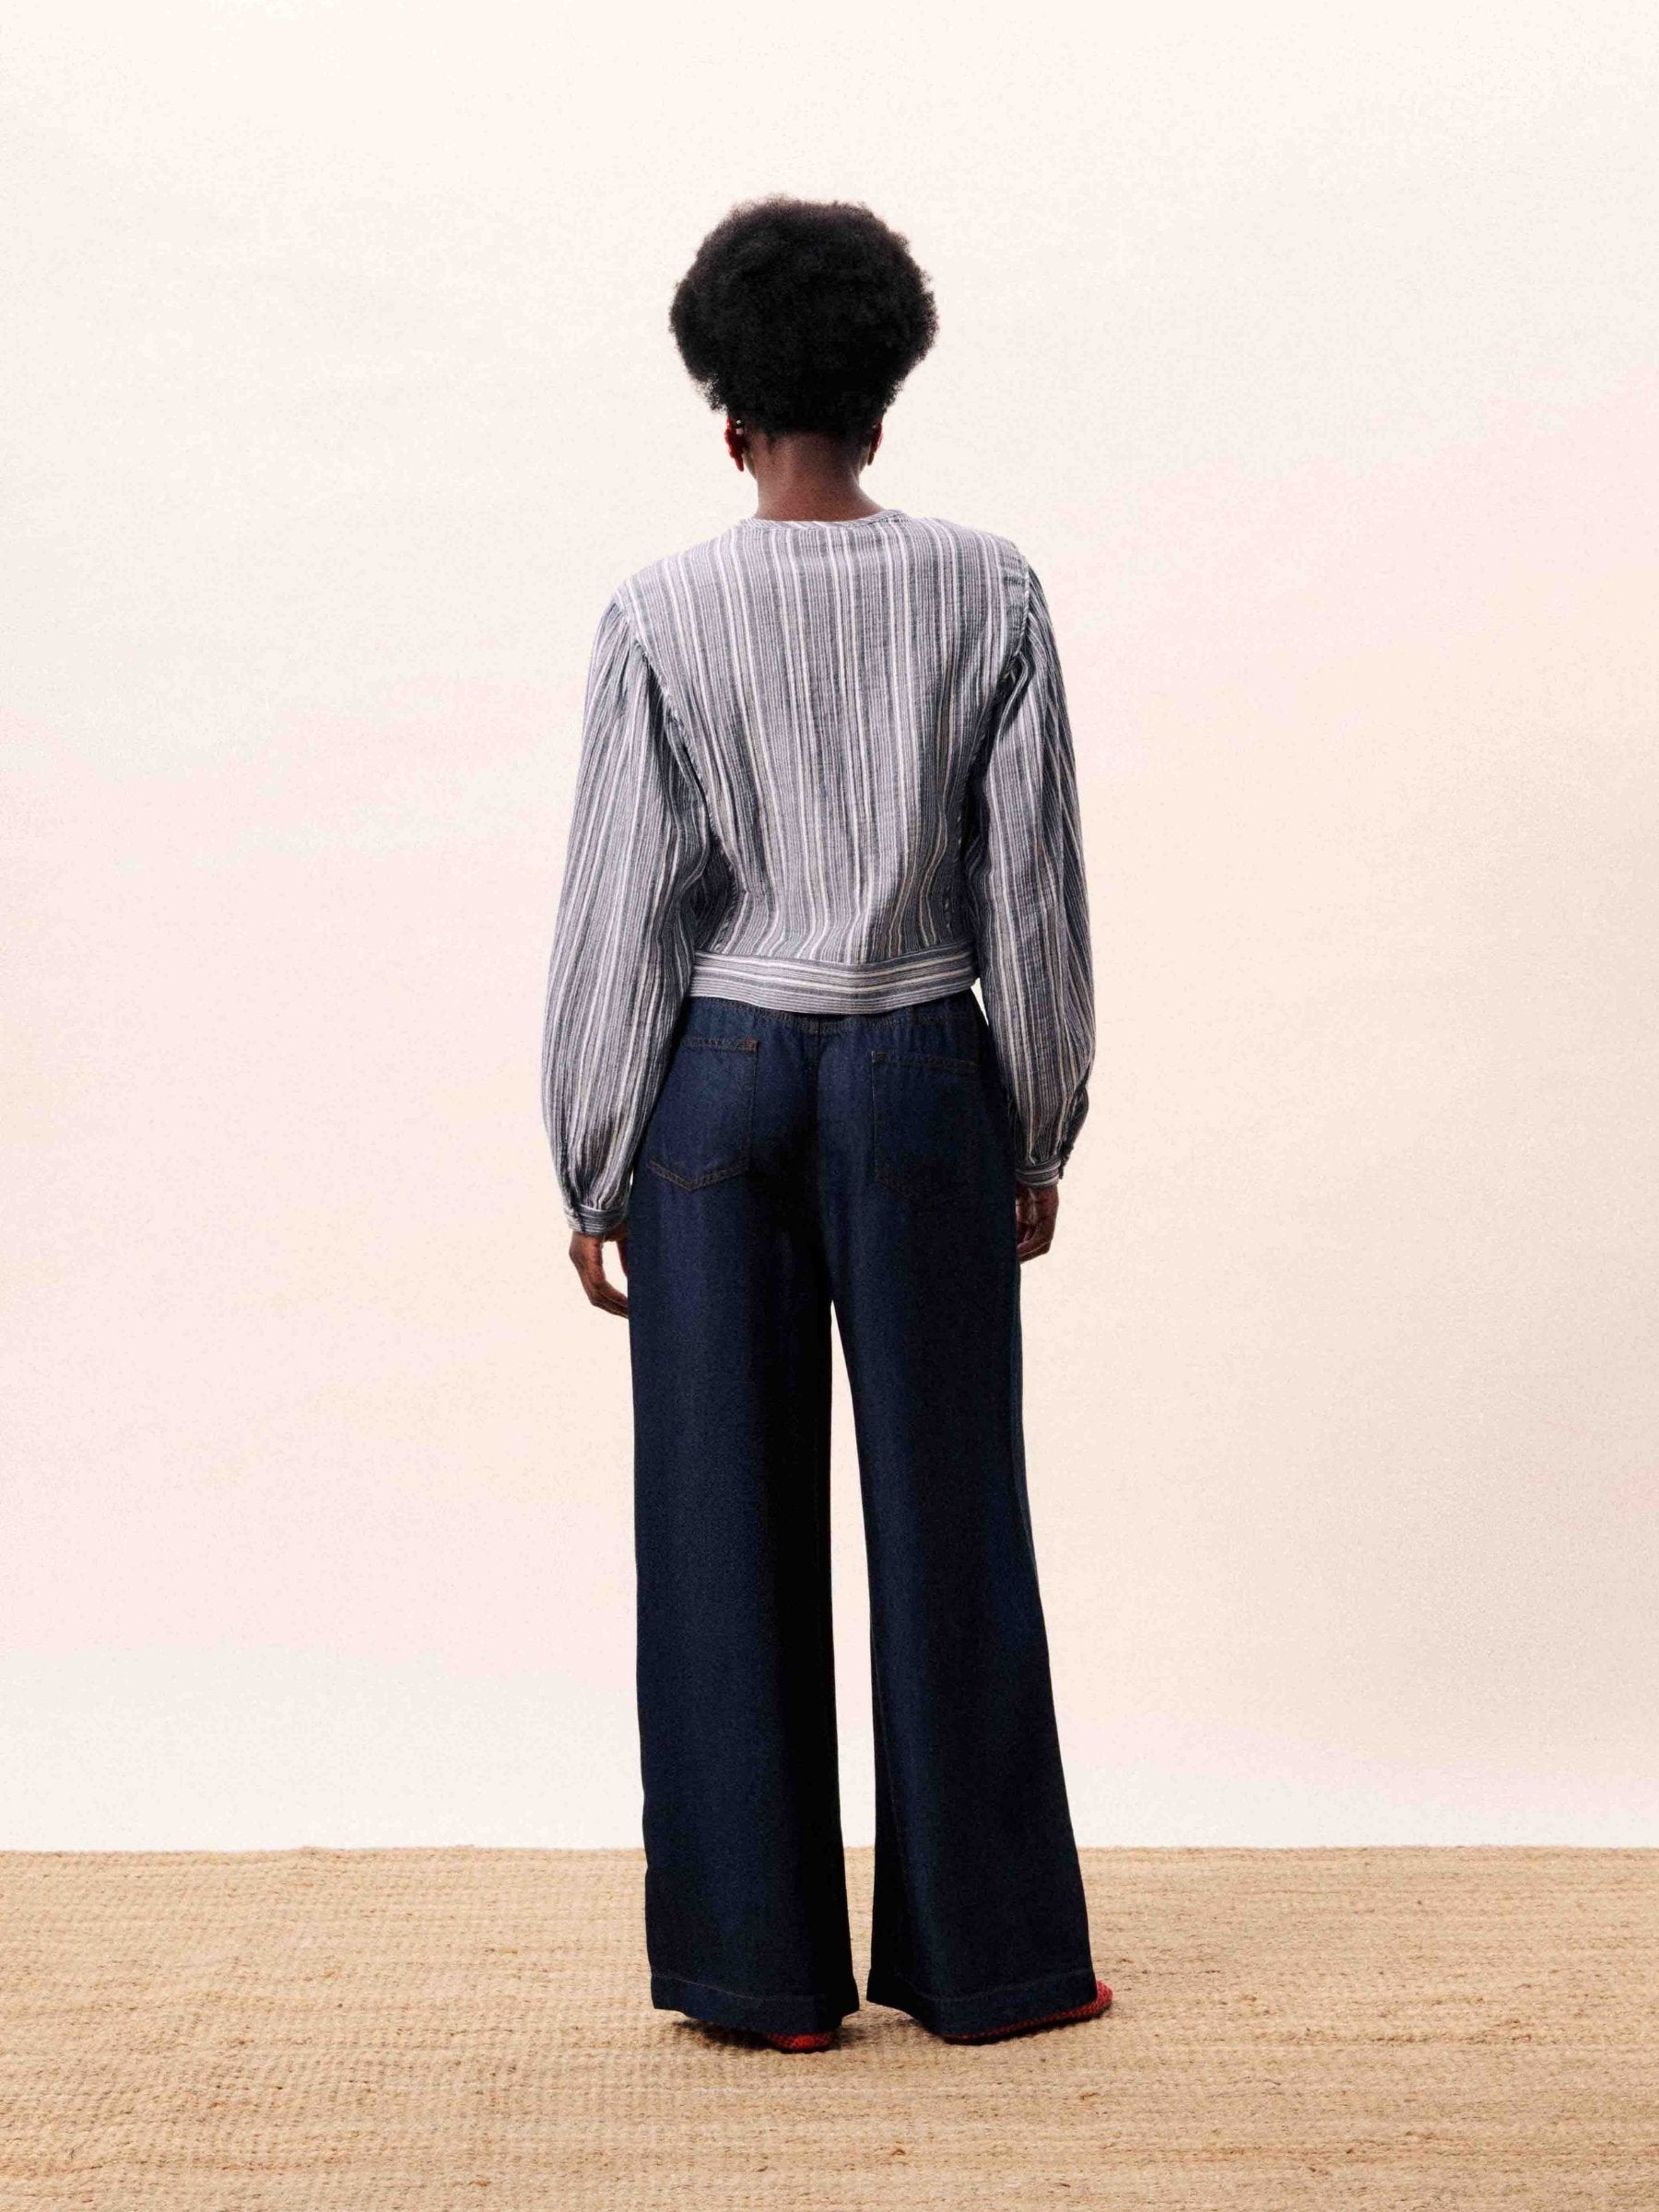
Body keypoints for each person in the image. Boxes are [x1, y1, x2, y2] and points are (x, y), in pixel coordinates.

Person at [540, 194, 1110, 2053]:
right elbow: (1028, 889)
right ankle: (991, 1963)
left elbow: (623, 904)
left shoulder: (659, 610)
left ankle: (760, 1975)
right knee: (954, 1512)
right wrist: (1040, 1120)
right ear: (884, 399)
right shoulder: (989, 588)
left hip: (716, 1081)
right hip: (920, 1069)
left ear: (727, 416)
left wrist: (593, 1151)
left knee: (718, 1522)